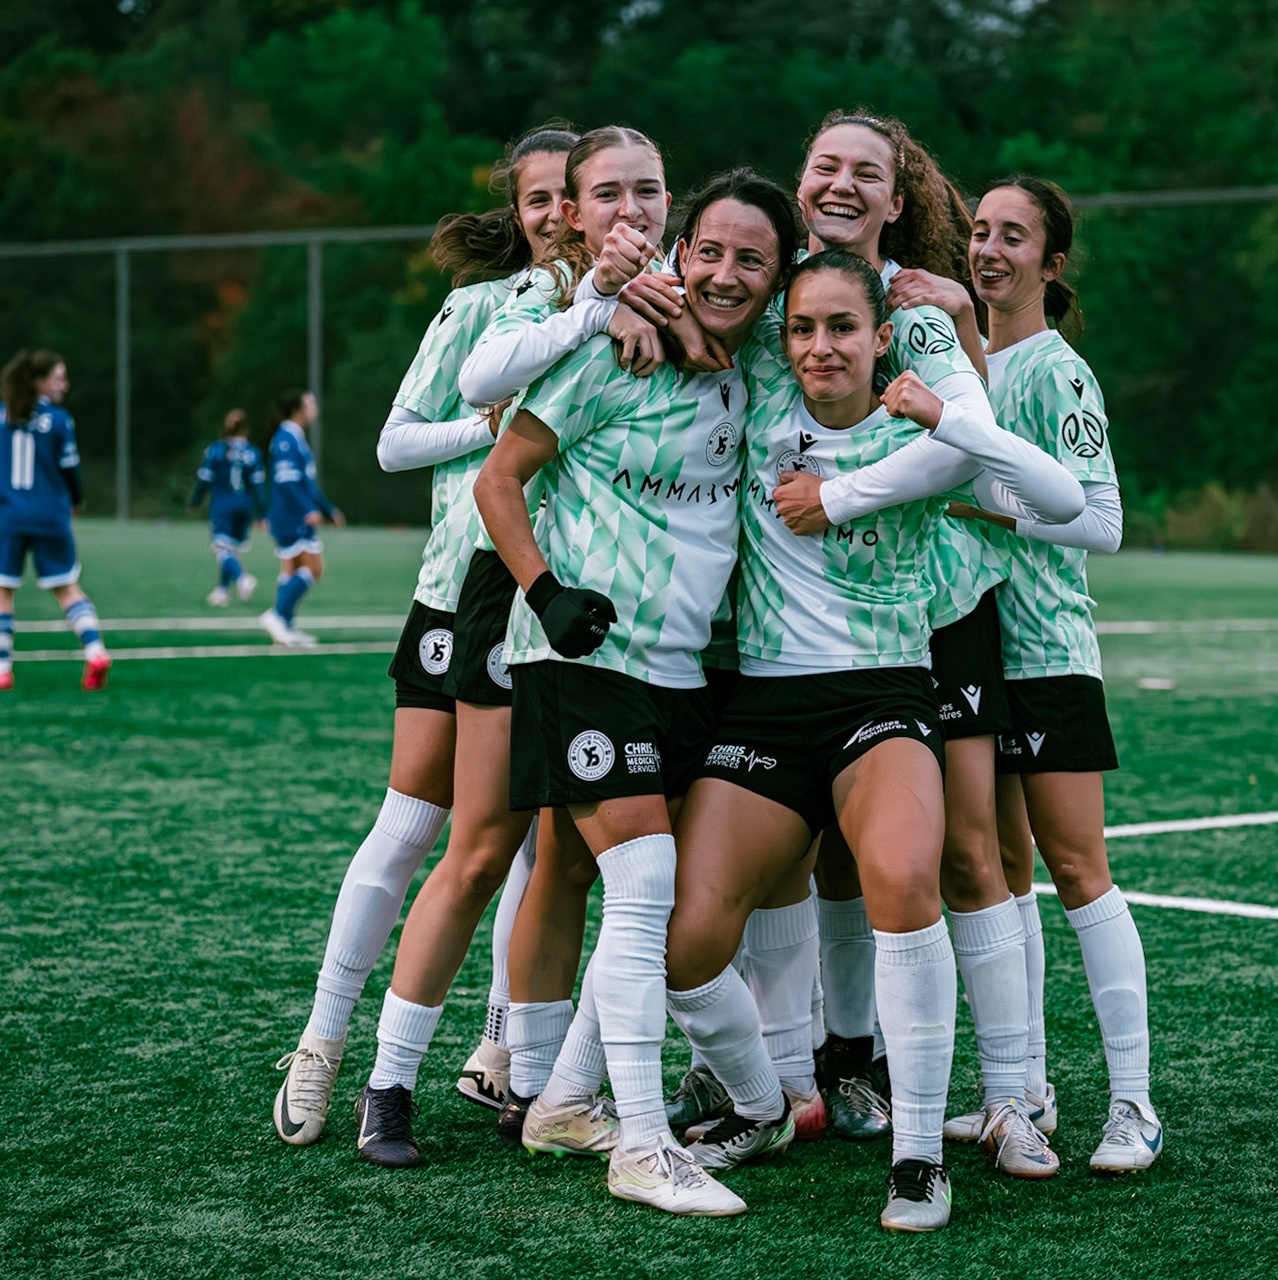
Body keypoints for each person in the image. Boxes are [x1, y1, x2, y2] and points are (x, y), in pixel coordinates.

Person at [654, 251, 1081, 1232]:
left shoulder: (917, 428)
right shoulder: (761, 405)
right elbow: (703, 305)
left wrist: (946, 421)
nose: (821, 347)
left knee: (900, 877)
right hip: (766, 703)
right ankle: (762, 1102)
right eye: (803, 328)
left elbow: (1060, 499)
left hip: (883, 695)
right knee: (685, 941)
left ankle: (918, 1155)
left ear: (882, 336)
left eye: (843, 327)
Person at [473, 167, 799, 1217]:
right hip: (583, 658)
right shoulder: (613, 350)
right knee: (646, 879)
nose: (726, 273)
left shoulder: (760, 360)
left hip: (684, 670)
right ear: (679, 254)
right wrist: (545, 590)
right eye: (709, 251)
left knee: (641, 893)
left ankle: (567, 1103)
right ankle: (645, 1146)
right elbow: (496, 478)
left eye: (752, 259)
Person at [271, 125, 578, 1154]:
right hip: (461, 593)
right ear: (518, 211)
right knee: (415, 822)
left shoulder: (617, 310)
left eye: (569, 195)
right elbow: (394, 443)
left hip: (559, 601)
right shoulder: (481, 309)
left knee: (531, 834)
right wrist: (485, 432)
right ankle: (323, 1040)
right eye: (536, 198)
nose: (555, 215)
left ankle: (498, 1047)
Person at [941, 175, 1161, 1174]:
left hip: (1048, 651)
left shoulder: (1057, 372)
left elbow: (1103, 522)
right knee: (1007, 869)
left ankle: (1134, 1103)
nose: (990, 250)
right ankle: (1025, 1091)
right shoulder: (967, 364)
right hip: (980, 651)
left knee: (1079, 869)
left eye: (1014, 236)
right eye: (980, 232)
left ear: (1051, 261)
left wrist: (995, 514)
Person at [0, 350, 110, 692]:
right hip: (51, 517)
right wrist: (76, 501)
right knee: (67, 589)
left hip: (9, 517)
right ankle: (96, 653)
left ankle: (0, 670)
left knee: (1, 592)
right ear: (38, 382)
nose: (66, 384)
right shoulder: (60, 419)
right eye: (59, 377)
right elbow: (71, 470)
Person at [259, 390, 343, 647]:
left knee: (292, 569)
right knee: (313, 569)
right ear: (298, 409)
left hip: (291, 514)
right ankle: (276, 615)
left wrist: (328, 508)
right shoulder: (286, 438)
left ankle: (285, 626)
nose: (314, 407)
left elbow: (306, 483)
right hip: (291, 516)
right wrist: (308, 510)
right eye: (310, 403)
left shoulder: (295, 437)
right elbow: (287, 481)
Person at [187, 409, 266, 607]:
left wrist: (195, 501)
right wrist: (261, 513)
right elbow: (258, 486)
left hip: (223, 505)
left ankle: (242, 578)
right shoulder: (253, 453)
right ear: (246, 428)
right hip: (244, 506)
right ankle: (222, 591)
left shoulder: (216, 450)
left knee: (222, 549)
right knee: (231, 549)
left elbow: (204, 479)